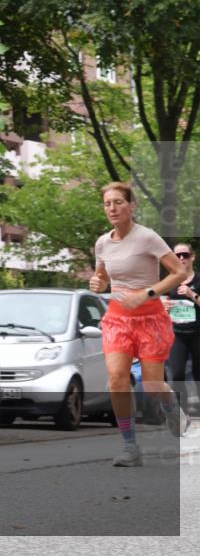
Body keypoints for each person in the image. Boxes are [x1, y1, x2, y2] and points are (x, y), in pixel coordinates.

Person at [88, 182, 189, 467]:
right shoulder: (102, 243)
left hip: (150, 318)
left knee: (154, 385)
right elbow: (102, 278)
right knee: (117, 379)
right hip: (118, 319)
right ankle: (130, 446)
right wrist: (98, 283)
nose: (112, 208)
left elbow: (179, 272)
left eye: (119, 202)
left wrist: (148, 292)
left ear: (132, 206)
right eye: (108, 203)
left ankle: (173, 410)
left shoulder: (147, 237)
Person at [166, 243, 200, 414]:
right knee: (177, 374)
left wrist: (191, 295)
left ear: (192, 257)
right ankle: (182, 413)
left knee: (198, 374)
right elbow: (159, 306)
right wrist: (164, 307)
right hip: (177, 334)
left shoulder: (199, 280)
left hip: (197, 334)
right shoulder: (170, 281)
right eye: (177, 255)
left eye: (185, 255)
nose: (181, 259)